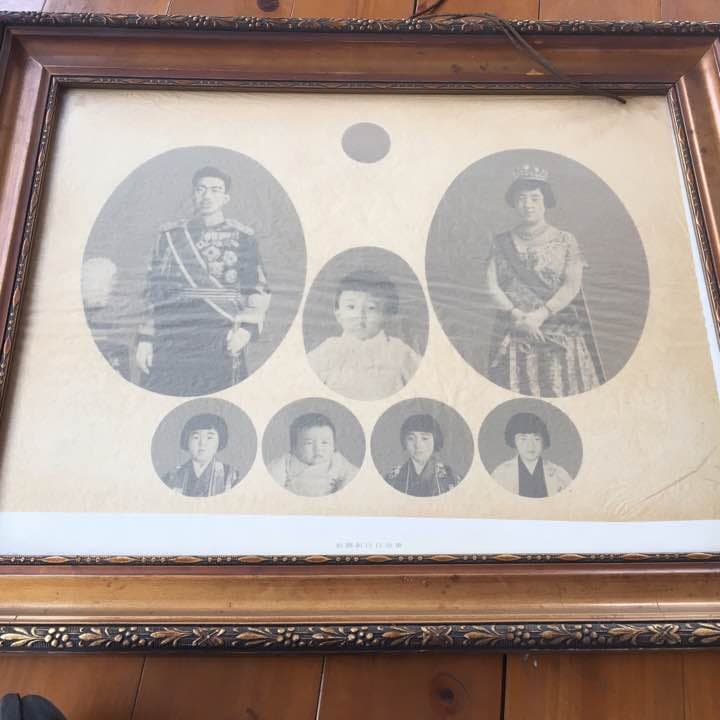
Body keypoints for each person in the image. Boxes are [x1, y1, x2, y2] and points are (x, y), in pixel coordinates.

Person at [135, 166, 270, 396]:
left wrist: (246, 331)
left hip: (219, 334)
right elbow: (153, 289)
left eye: (215, 190)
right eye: (201, 189)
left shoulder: (242, 237)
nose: (207, 196)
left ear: (226, 198)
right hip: (173, 334)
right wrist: (146, 338)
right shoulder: (170, 236)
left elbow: (257, 289)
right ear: (193, 194)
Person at [485, 164, 604, 397]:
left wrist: (539, 316)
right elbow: (491, 286)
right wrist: (519, 317)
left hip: (560, 331)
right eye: (521, 199)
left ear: (545, 201)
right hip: (516, 332)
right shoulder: (500, 242)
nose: (527, 204)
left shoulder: (566, 240)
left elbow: (572, 285)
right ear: (514, 203)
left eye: (534, 198)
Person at [307, 269, 421, 400]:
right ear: (338, 314)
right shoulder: (328, 350)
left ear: (387, 315)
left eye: (371, 308)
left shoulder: (399, 351)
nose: (360, 316)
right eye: (351, 307)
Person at [268, 412, 359, 497]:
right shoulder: (287, 461)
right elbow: (273, 477)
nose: (318, 448)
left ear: (334, 446)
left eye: (324, 442)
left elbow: (352, 475)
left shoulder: (336, 460)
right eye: (309, 443)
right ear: (294, 448)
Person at [491, 412, 572, 498]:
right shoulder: (501, 473)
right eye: (523, 439)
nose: (530, 446)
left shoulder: (559, 474)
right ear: (513, 441)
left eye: (536, 439)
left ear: (543, 441)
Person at [163, 413, 242, 497]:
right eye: (196, 437)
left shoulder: (231, 476)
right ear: (187, 440)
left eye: (209, 437)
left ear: (220, 441)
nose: (202, 443)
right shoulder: (171, 477)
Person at [384, 414, 461, 497]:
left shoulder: (452, 478)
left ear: (435, 440)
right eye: (411, 438)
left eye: (424, 438)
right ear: (404, 442)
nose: (418, 445)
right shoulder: (392, 479)